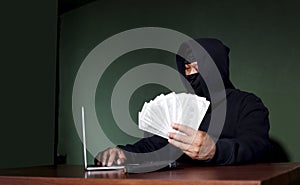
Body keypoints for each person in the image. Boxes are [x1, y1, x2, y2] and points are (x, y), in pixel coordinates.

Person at [95, 38, 273, 168]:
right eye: (187, 68)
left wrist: (215, 150)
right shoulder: (182, 107)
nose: (190, 74)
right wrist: (123, 153)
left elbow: (257, 145)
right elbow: (154, 145)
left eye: (197, 66)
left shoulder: (247, 103)